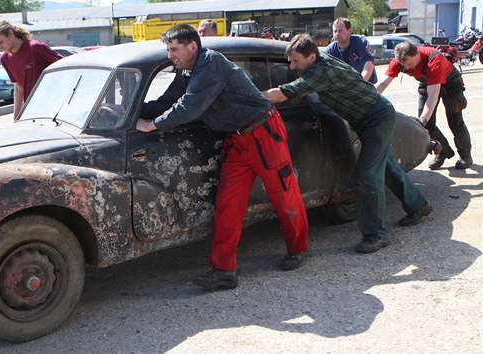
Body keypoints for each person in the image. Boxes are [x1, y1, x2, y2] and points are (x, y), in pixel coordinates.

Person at [137, 24, 309, 290]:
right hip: (237, 139)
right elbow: (169, 99)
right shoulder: (187, 70)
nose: (170, 55)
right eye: (169, 49)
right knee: (228, 205)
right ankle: (224, 270)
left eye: (174, 49)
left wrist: (153, 125)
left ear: (192, 47)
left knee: (284, 194)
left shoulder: (210, 63)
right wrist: (129, 111)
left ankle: (298, 249)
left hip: (263, 132)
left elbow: (189, 106)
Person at [262, 33, 432, 254]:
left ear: (312, 57)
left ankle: (377, 235)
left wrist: (252, 95)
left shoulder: (319, 71)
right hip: (366, 118)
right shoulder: (318, 63)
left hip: (377, 118)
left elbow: (284, 94)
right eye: (290, 61)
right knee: (387, 166)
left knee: (367, 175)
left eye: (296, 61)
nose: (292, 66)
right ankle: (419, 205)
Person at [375, 41, 473, 170]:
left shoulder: (434, 59)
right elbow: (382, 84)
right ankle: (443, 151)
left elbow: (433, 95)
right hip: (427, 83)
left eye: (410, 64)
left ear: (417, 53)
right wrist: (366, 96)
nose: (408, 68)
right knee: (427, 125)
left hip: (450, 85)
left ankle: (465, 156)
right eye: (405, 66)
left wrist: (423, 120)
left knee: (455, 122)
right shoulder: (400, 61)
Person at [0, 19, 64, 121]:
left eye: (1, 42)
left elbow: (66, 66)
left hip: (55, 108)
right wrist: (16, 118)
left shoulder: (35, 48)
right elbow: (18, 88)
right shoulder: (5, 58)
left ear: (10, 33)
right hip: (33, 110)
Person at [324, 17, 377, 83]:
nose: (337, 34)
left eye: (340, 31)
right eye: (335, 31)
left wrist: (360, 84)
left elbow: (369, 63)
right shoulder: (330, 49)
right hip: (347, 86)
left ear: (349, 31)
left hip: (368, 83)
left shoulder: (360, 41)